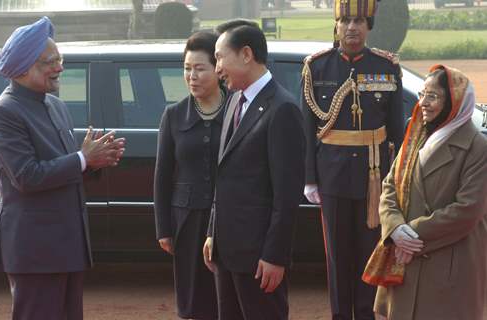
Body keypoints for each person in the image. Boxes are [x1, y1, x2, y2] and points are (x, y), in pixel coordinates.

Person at [0, 17, 125, 320]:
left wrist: (95, 162)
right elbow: (28, 176)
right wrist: (83, 159)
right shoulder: (3, 113)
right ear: (23, 68)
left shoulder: (55, 105)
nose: (59, 67)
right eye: (50, 61)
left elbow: (63, 169)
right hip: (35, 250)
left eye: (59, 59)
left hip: (67, 244)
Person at [301, 0, 404, 318]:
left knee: (369, 251)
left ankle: (365, 313)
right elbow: (308, 129)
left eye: (359, 21)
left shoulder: (387, 67)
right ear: (336, 25)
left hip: (374, 176)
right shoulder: (317, 67)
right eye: (346, 21)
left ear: (369, 25)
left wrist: (397, 179)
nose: (352, 27)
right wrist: (309, 178)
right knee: (337, 256)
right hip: (331, 176)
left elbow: (397, 131)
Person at [202, 19, 305, 320]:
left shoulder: (282, 109)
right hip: (227, 252)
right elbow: (225, 175)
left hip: (259, 258)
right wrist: (213, 231)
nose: (216, 67)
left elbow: (286, 195)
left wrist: (275, 256)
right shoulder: (235, 101)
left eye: (220, 57)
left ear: (246, 54)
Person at [367, 65, 487, 320]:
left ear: (455, 102)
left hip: (450, 263)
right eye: (422, 94)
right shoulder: (416, 133)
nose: (423, 102)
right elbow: (390, 185)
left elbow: (468, 209)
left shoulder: (477, 147)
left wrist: (412, 235)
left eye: (433, 96)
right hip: (405, 260)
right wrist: (395, 229)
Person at [154, 31, 226, 320]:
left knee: (227, 297)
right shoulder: (173, 116)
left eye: (199, 68)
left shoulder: (238, 109)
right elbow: (162, 176)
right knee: (193, 302)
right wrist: (164, 229)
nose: (191, 76)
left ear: (218, 70)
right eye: (187, 69)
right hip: (187, 221)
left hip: (229, 219)